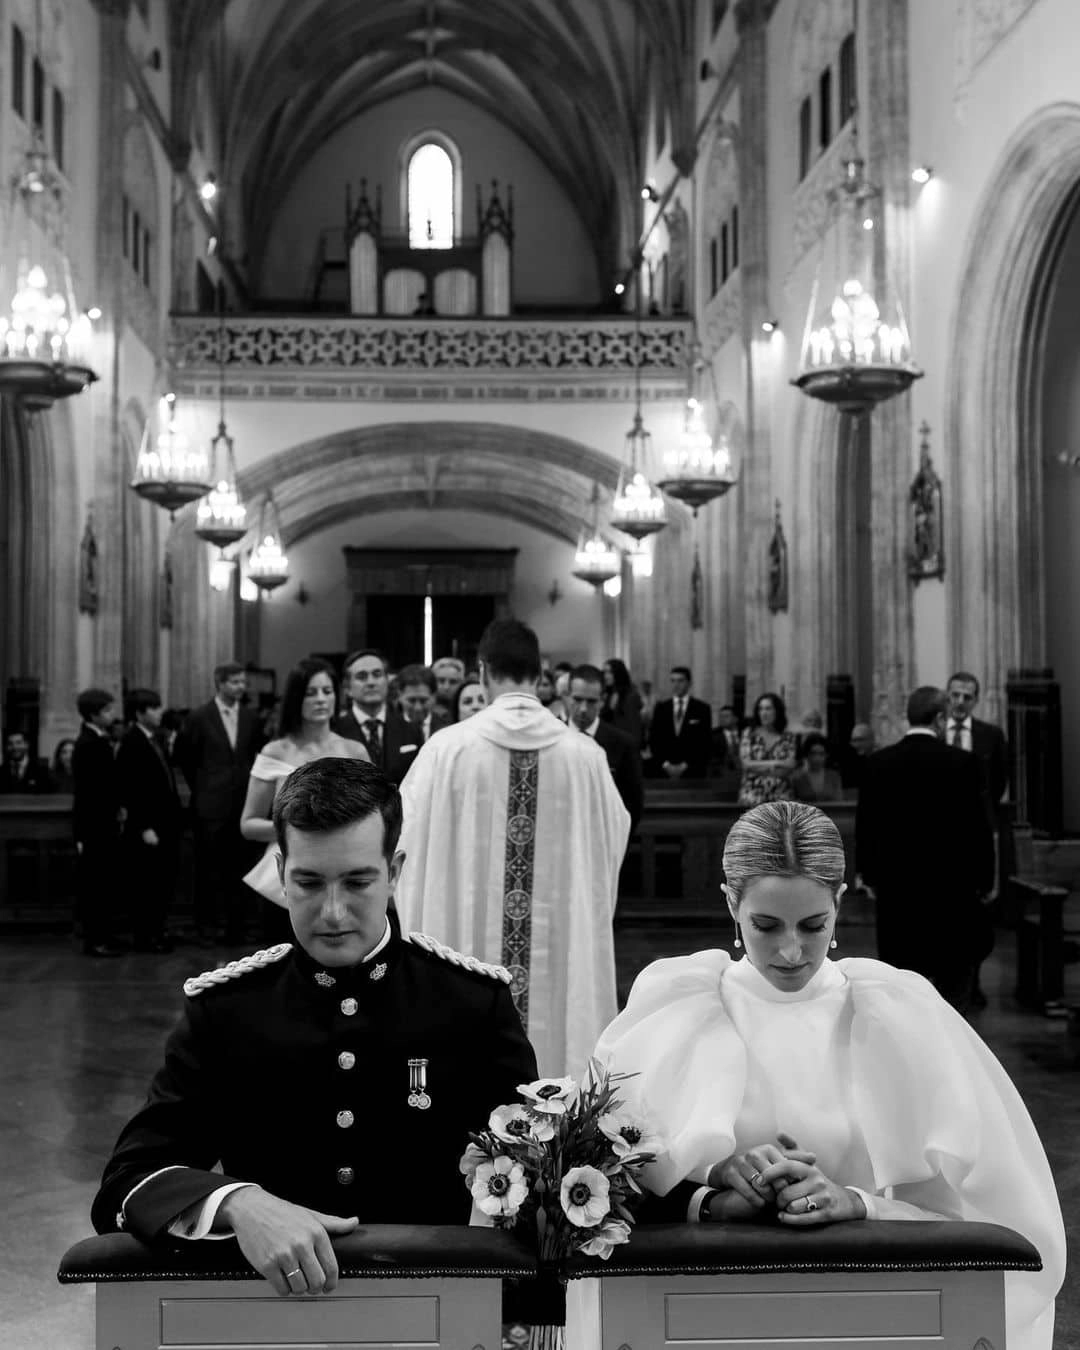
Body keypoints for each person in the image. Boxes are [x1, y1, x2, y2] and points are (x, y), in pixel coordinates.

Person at [593, 801, 1065, 1350]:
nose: (792, 950)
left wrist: (859, 1204)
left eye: (813, 925)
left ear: (840, 903)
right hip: (704, 1314)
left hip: (879, 1312)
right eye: (765, 926)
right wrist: (715, 1181)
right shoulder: (674, 1006)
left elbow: (995, 1217)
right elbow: (598, 1192)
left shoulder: (900, 1012)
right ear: (731, 903)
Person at [91, 758, 538, 1298]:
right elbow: (128, 1181)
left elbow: (527, 1177)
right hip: (272, 1309)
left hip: (435, 1302)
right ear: (280, 871)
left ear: (394, 871)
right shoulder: (227, 1010)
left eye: (357, 882)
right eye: (308, 882)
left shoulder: (471, 1003)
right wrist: (237, 1202)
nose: (332, 912)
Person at [396, 618, 630, 1079]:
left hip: (464, 951)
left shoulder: (446, 750)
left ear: (482, 672)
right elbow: (611, 844)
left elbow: (403, 846)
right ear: (540, 676)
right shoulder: (586, 756)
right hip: (561, 946)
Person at [855, 686, 994, 1011]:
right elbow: (978, 829)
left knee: (900, 982)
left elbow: (867, 826)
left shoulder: (878, 763)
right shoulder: (963, 763)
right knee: (953, 987)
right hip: (952, 891)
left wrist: (868, 875)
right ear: (941, 718)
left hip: (897, 891)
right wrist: (985, 881)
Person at [241, 658, 369, 917]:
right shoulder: (276, 751)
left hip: (347, 869)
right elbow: (249, 825)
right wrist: (300, 828)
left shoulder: (354, 750)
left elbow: (372, 816)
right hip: (294, 876)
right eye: (311, 693)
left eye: (327, 691)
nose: (321, 699)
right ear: (296, 698)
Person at [174, 663, 264, 946]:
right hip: (210, 805)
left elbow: (256, 755)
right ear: (220, 683)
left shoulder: (251, 717)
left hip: (242, 805)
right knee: (208, 871)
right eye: (235, 682)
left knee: (240, 869)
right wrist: (203, 786)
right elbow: (185, 756)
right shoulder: (200, 717)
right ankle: (206, 928)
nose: (241, 687)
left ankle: (237, 928)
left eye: (243, 682)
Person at [117, 689, 182, 953]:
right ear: (139, 713)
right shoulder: (131, 742)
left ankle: (157, 931)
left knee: (161, 882)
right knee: (147, 885)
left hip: (164, 823)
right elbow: (130, 789)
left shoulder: (154, 739)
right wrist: (144, 826)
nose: (159, 713)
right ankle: (146, 936)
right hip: (148, 827)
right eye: (153, 708)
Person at [72, 688, 125, 957]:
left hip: (104, 824)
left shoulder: (99, 740)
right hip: (95, 827)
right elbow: (88, 793)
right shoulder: (87, 744)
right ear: (94, 714)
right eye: (107, 710)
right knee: (96, 886)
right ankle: (96, 939)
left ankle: (106, 934)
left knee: (106, 884)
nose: (112, 715)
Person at [568, 663, 644, 834]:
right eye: (577, 699)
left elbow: (633, 806)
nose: (583, 709)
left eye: (591, 701)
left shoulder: (623, 744)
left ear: (602, 700)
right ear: (567, 697)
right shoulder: (552, 738)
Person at [334, 649, 423, 786]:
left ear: (387, 681)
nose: (371, 682)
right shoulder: (336, 731)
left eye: (377, 675)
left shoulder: (411, 730)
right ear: (347, 688)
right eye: (362, 676)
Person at [648, 666, 712, 779]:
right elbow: (654, 739)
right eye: (673, 681)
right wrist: (666, 765)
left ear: (689, 683)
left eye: (680, 681)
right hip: (664, 770)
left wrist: (684, 766)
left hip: (693, 770)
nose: (676, 685)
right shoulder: (661, 708)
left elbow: (704, 741)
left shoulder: (702, 709)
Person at [737, 692, 797, 806]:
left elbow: (789, 766)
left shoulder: (788, 737)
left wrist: (757, 766)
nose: (763, 713)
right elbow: (746, 764)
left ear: (777, 711)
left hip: (781, 796)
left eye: (768, 709)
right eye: (761, 709)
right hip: (752, 795)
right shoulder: (749, 734)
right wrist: (777, 762)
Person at [396, 664, 451, 743]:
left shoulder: (447, 729)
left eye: (423, 701)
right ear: (400, 696)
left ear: (434, 697)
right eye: (411, 700)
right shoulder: (387, 729)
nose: (418, 707)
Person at [789, 733, 844, 803]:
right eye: (813, 753)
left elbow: (840, 803)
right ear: (807, 755)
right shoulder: (797, 778)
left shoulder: (834, 776)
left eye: (821, 754)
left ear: (826, 755)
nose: (817, 758)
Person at [601, 658, 644, 747]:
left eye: (610, 672)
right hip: (609, 745)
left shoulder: (631, 695)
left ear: (618, 673)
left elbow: (634, 729)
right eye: (605, 672)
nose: (606, 676)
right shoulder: (607, 694)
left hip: (625, 747)